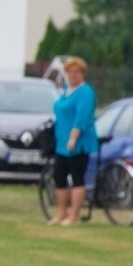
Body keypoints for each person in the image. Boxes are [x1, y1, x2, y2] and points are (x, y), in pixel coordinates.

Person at [51, 56, 97, 227]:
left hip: (78, 142)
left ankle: (74, 215)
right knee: (59, 176)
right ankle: (61, 213)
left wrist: (73, 138)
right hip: (61, 142)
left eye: (76, 72)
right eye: (70, 72)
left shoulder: (85, 93)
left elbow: (81, 117)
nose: (72, 75)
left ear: (82, 74)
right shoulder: (65, 90)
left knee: (77, 177)